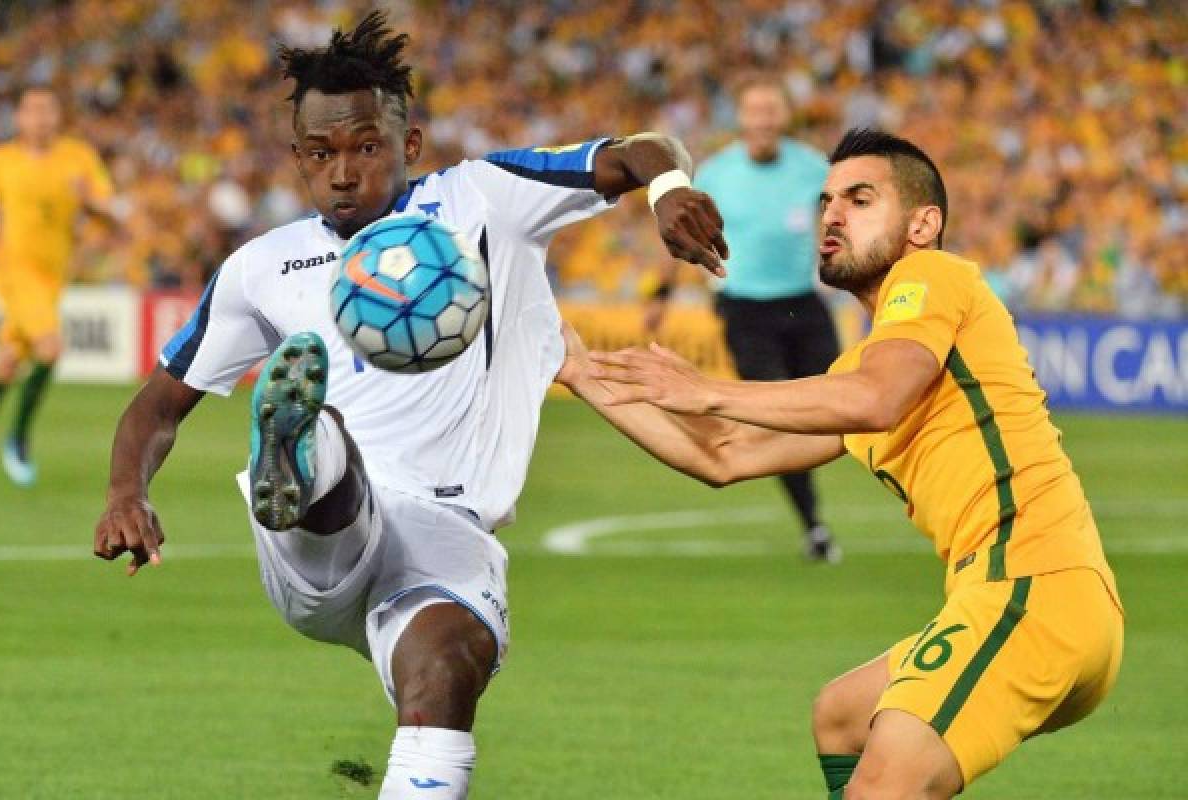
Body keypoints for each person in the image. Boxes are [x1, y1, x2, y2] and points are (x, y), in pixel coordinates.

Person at [92, 13, 727, 800]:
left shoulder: (484, 199)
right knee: (325, 442)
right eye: (321, 154)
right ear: (297, 160)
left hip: (446, 535)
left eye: (366, 146)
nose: (344, 171)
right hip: (319, 543)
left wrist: (666, 190)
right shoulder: (262, 267)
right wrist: (129, 494)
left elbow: (639, 148)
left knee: (446, 667)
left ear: (411, 145)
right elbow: (157, 405)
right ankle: (298, 451)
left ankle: (300, 444)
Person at [560, 128, 1123, 799]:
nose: (832, 214)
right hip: (1008, 597)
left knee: (881, 787)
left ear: (923, 224)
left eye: (860, 199)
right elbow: (721, 453)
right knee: (843, 715)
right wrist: (580, 371)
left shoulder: (931, 276)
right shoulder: (863, 366)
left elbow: (879, 399)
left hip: (1034, 587)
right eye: (827, 200)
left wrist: (708, 389)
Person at [645, 75, 841, 562]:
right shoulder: (716, 173)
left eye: (771, 111)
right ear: (742, 119)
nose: (763, 121)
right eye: (755, 112)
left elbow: (845, 226)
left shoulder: (814, 168)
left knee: (851, 406)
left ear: (784, 117)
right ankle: (814, 526)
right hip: (744, 306)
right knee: (780, 417)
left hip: (804, 302)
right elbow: (681, 235)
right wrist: (662, 293)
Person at [0, 85, 118, 486]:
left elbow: (108, 213)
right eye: (32, 110)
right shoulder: (1, 161)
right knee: (50, 346)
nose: (40, 117)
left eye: (48, 109)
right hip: (15, 271)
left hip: (53, 277)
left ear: (58, 116)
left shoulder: (77, 158)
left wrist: (88, 201)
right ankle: (18, 439)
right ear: (20, 118)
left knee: (9, 363)